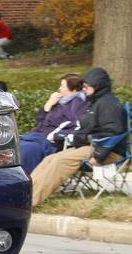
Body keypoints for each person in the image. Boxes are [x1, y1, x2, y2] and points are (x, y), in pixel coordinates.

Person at [30, 67, 126, 206]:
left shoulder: (108, 104)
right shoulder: (95, 102)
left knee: (60, 162)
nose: (84, 90)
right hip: (92, 146)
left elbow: (113, 132)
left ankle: (31, 201)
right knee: (49, 159)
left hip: (106, 151)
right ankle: (24, 196)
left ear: (97, 86)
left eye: (87, 87)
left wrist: (98, 156)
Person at [18, 73, 87, 175]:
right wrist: (49, 104)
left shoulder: (76, 104)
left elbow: (76, 125)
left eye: (63, 86)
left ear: (73, 89)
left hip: (51, 142)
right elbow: (40, 120)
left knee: (25, 150)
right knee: (16, 147)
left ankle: (25, 180)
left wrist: (54, 135)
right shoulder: (60, 102)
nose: (59, 88)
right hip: (38, 136)